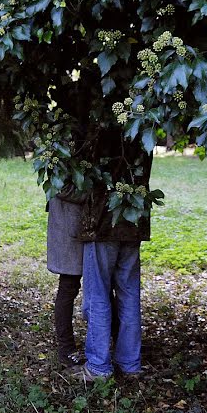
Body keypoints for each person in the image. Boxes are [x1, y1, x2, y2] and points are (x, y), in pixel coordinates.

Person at [69, 132, 152, 382]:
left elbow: (84, 177)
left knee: (98, 296)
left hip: (103, 224)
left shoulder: (98, 131)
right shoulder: (142, 129)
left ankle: (98, 366)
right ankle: (129, 363)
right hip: (133, 221)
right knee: (128, 294)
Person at [46, 189, 86, 367]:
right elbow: (61, 187)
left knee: (104, 287)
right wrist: (97, 191)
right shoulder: (58, 162)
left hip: (82, 225)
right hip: (68, 227)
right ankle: (66, 348)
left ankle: (115, 344)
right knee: (68, 288)